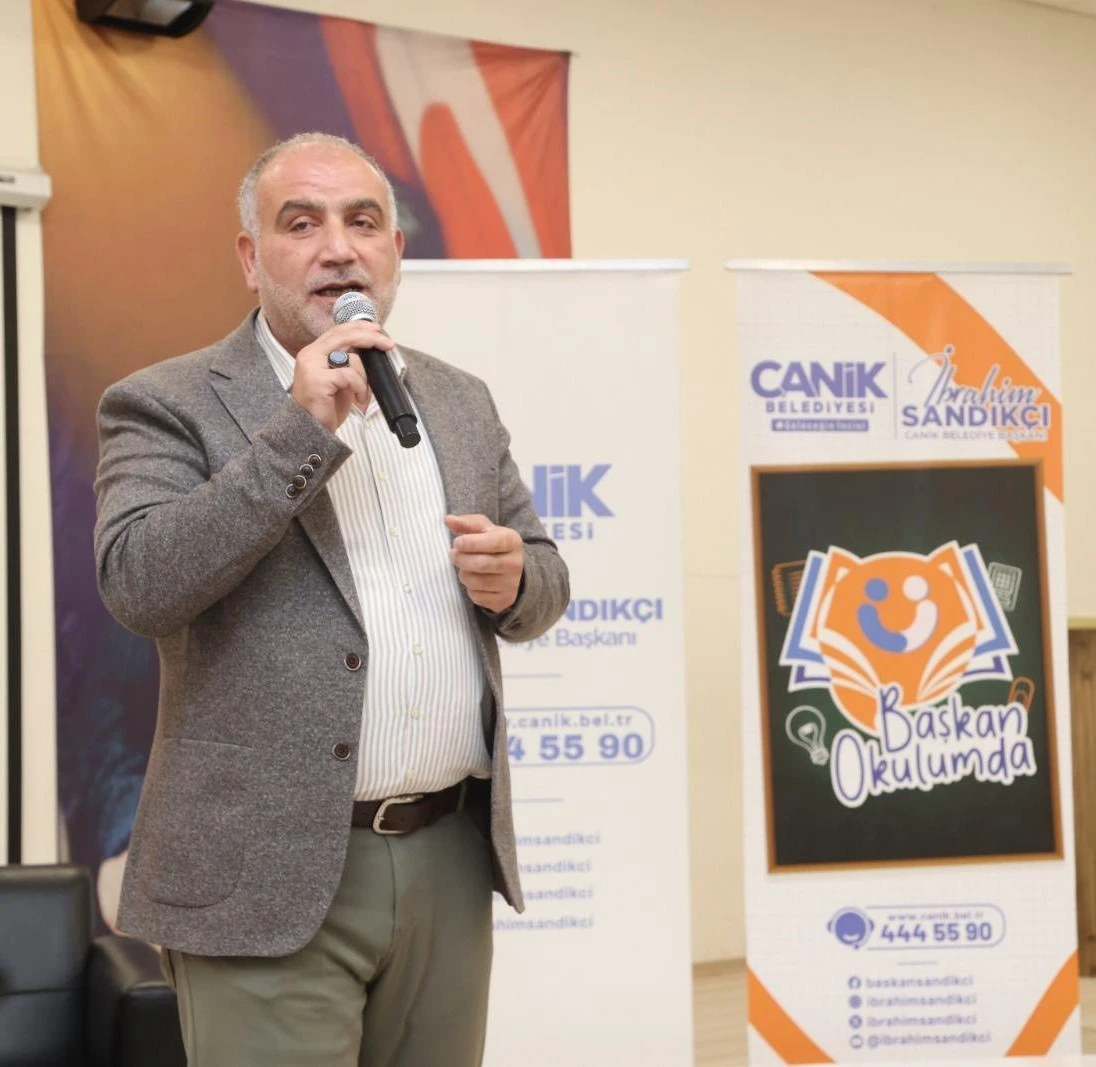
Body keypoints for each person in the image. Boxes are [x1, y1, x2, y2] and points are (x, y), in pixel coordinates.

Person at [93, 131, 569, 1067]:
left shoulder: (458, 399)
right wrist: (300, 427)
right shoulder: (166, 401)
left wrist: (517, 578)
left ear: (395, 250)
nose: (339, 248)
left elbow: (543, 577)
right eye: (301, 223)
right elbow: (140, 582)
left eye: (363, 222)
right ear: (251, 257)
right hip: (259, 873)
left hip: (447, 851)